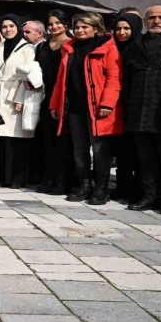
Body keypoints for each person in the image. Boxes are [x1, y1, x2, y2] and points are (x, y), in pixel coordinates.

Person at [50, 12, 123, 205]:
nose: (80, 30)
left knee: (99, 149)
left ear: (96, 28)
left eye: (85, 27)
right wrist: (55, 104)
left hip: (97, 108)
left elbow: (114, 79)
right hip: (75, 108)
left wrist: (107, 103)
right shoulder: (69, 48)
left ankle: (101, 189)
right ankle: (84, 185)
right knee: (79, 149)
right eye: (77, 27)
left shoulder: (107, 47)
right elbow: (60, 80)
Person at [124, 6, 161, 212]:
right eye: (152, 17)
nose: (156, 21)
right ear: (145, 20)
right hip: (138, 110)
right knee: (145, 157)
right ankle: (149, 195)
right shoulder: (135, 44)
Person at [0, 14, 36, 188]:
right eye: (4, 26)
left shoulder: (28, 48)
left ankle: (16, 178)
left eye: (11, 26)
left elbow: (28, 75)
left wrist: (20, 98)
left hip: (16, 92)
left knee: (16, 137)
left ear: (17, 27)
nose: (7, 29)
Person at [34, 10, 73, 195]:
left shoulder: (72, 44)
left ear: (65, 23)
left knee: (63, 141)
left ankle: (62, 181)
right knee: (47, 139)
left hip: (65, 96)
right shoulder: (42, 46)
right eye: (50, 24)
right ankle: (48, 178)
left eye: (58, 22)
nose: (54, 26)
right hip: (45, 95)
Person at [110, 13, 142, 203]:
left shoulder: (140, 48)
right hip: (117, 106)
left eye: (126, 28)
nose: (121, 32)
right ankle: (122, 187)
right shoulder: (112, 48)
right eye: (118, 29)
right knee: (121, 150)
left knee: (138, 151)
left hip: (136, 106)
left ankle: (138, 189)